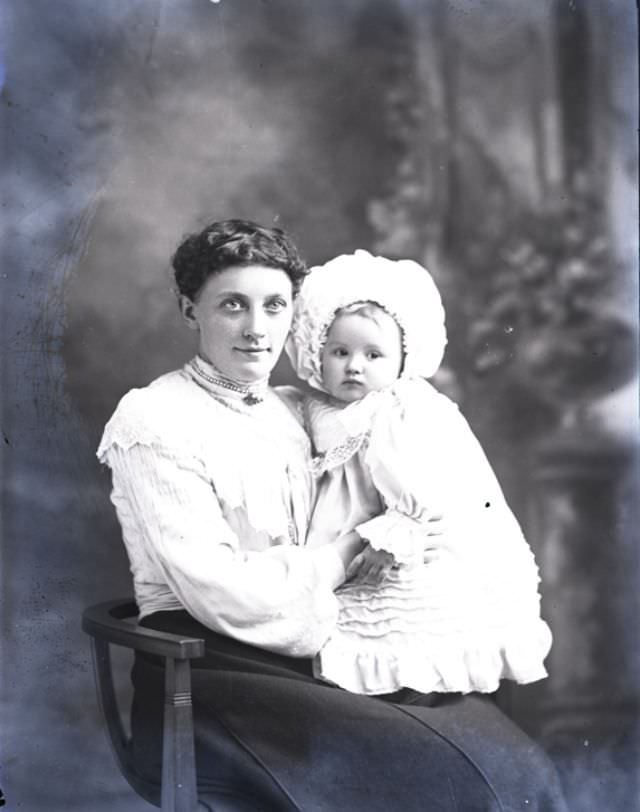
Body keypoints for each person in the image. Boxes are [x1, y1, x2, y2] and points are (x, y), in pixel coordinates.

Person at [98, 219, 567, 811]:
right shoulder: (154, 419)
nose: (256, 329)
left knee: (509, 757)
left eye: (275, 306)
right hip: (207, 667)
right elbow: (220, 592)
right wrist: (348, 553)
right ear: (191, 309)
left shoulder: (300, 409)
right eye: (232, 306)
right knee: (450, 775)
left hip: (306, 649)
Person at [285, 250, 553, 697]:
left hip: (399, 545)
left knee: (396, 629)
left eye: (373, 354)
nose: (355, 365)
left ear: (402, 360)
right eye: (340, 352)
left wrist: (395, 537)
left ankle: (406, 697)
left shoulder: (398, 408)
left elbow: (420, 488)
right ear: (317, 354)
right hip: (344, 542)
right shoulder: (320, 408)